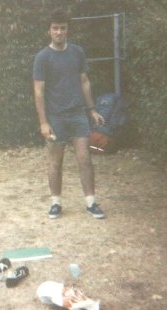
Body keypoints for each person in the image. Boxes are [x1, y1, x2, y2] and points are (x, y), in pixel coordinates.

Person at [33, 8, 105, 219]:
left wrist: (92, 109)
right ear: (49, 31)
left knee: (85, 159)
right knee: (56, 162)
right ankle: (56, 202)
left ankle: (91, 202)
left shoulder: (77, 53)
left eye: (63, 28)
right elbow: (38, 91)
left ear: (67, 30)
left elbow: (84, 81)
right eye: (55, 28)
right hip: (55, 118)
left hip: (77, 115)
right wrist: (44, 123)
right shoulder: (42, 58)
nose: (59, 32)